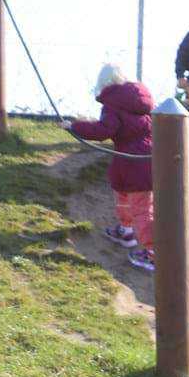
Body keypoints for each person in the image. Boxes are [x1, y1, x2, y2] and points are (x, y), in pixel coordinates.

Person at [65, 64, 157, 273]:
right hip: (141, 160)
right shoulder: (141, 101)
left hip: (130, 160)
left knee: (141, 210)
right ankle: (126, 231)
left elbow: (104, 130)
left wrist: (74, 126)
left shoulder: (113, 103)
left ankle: (154, 254)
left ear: (103, 83)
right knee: (124, 196)